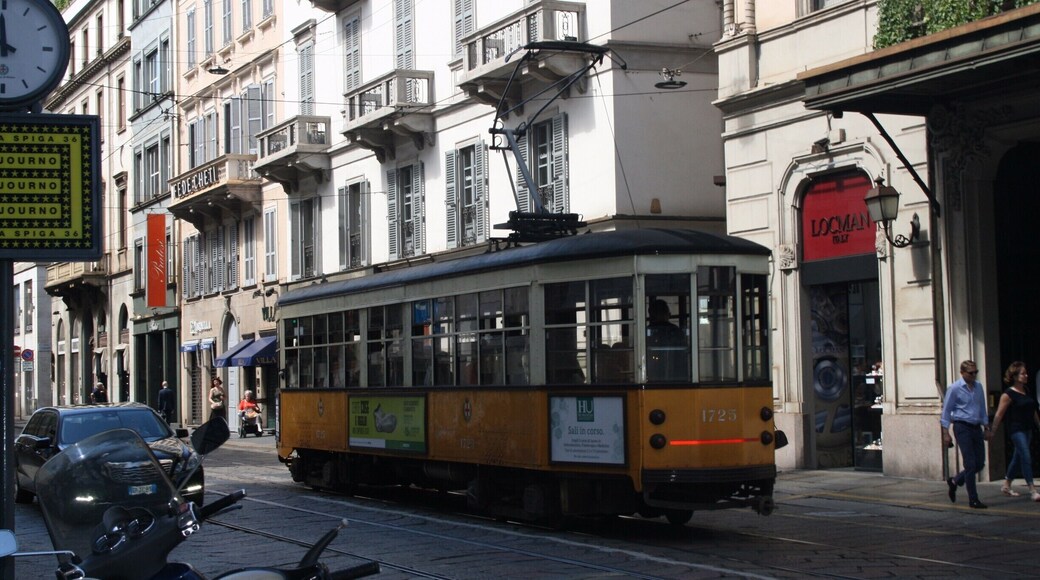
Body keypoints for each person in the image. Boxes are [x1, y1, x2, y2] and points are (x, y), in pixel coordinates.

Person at [941, 360, 992, 509]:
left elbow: (982, 408)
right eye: (971, 373)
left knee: (979, 463)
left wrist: (986, 427)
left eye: (976, 372)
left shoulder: (978, 387)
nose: (974, 375)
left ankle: (955, 481)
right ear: (962, 373)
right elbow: (946, 412)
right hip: (962, 427)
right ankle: (973, 499)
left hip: (976, 427)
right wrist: (946, 433)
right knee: (970, 463)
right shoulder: (955, 388)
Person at [990, 362, 1040, 501]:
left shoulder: (1027, 391)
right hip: (1016, 430)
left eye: (1026, 373)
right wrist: (993, 431)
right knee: (1025, 455)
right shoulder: (1008, 394)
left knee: (1017, 457)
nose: (1026, 375)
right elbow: (999, 414)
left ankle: (1006, 484)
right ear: (1015, 376)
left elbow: (1033, 411)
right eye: (1023, 373)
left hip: (1028, 428)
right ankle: (1032, 489)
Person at [647, 298, 686, 381]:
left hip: (651, 373)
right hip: (677, 376)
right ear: (667, 314)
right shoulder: (676, 331)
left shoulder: (647, 332)